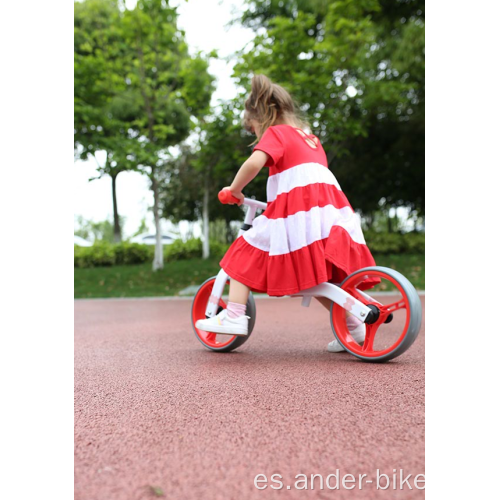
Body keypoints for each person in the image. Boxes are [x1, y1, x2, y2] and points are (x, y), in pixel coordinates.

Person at [195, 75, 376, 352]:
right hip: (326, 215)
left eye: (253, 128)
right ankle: (353, 325)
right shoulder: (312, 140)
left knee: (243, 251)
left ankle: (233, 317)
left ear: (264, 116)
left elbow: (254, 162)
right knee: (317, 280)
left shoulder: (276, 134)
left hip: (298, 212)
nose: (255, 135)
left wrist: (234, 189)